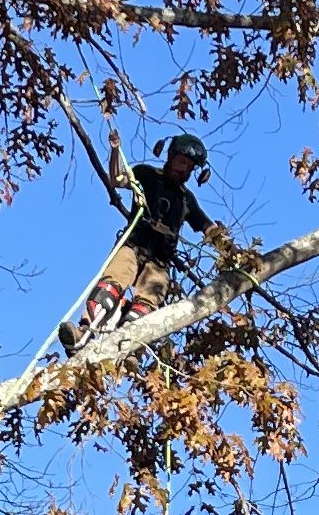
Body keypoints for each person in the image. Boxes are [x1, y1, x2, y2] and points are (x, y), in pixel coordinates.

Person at [59, 132, 228, 353]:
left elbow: (207, 227)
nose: (184, 169)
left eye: (190, 167)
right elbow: (118, 179)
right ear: (171, 156)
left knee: (147, 302)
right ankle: (85, 331)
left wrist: (228, 249)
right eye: (182, 162)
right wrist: (115, 151)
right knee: (112, 283)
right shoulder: (147, 174)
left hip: (159, 261)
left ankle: (129, 348)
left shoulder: (186, 199)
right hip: (133, 245)